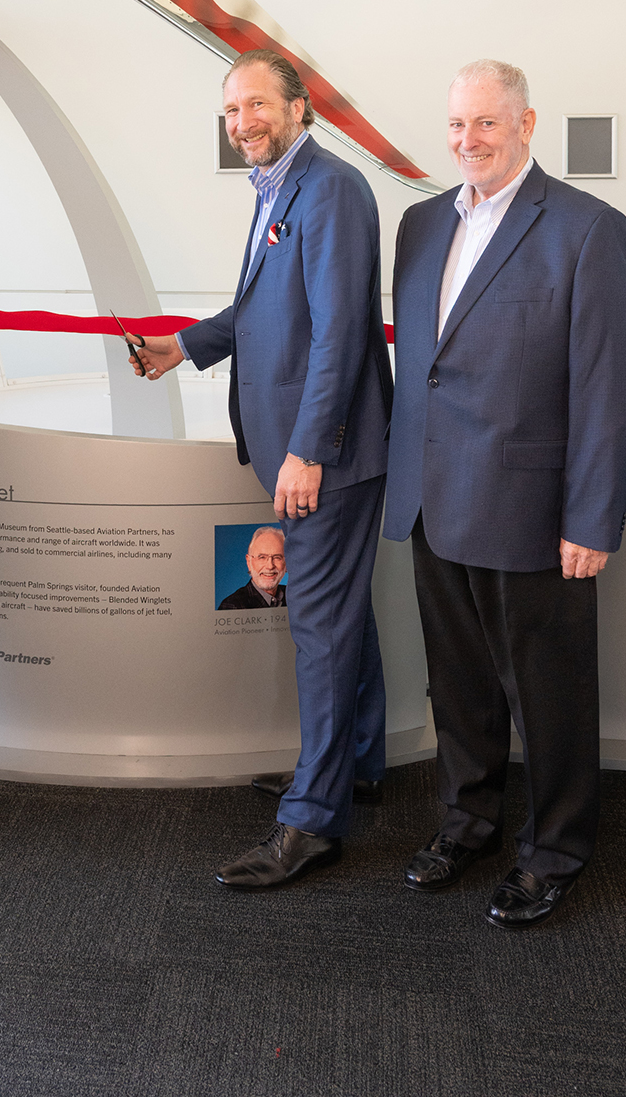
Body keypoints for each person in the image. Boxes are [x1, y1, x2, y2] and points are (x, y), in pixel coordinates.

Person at [384, 60, 626, 928]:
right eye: (458, 126)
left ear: (527, 124)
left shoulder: (586, 228)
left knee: (549, 692)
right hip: (433, 499)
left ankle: (556, 850)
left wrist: (592, 516)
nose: (469, 142)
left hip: (532, 511)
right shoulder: (421, 226)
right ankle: (468, 822)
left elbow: (611, 388)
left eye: (487, 124)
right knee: (458, 687)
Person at [133, 49, 391, 888]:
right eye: (232, 110)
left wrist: (308, 450)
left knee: (319, 629)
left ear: (299, 106)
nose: (242, 121)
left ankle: (312, 820)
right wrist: (185, 347)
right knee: (342, 615)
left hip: (325, 457)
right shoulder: (279, 188)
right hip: (301, 451)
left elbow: (341, 333)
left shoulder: (333, 189)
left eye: (256, 105)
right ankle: (351, 765)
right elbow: (260, 307)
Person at [218, 525, 287, 610]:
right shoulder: (233, 606)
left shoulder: (297, 596)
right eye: (262, 557)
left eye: (277, 557)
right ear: (249, 562)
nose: (270, 566)